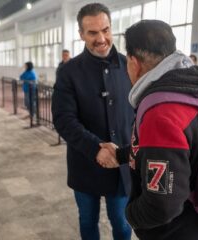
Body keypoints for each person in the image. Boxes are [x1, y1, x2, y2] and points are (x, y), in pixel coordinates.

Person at [101, 19, 198, 239]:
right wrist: (122, 154)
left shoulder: (161, 113)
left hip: (173, 231)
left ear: (133, 62)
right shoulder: (192, 88)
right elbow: (174, 150)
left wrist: (130, 215)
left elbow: (162, 206)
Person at [51, 3, 134, 240]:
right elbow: (64, 119)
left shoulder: (130, 65)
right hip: (84, 161)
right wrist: (95, 148)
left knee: (122, 222)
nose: (101, 38)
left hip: (122, 163)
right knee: (88, 220)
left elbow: (140, 114)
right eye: (93, 32)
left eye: (105, 30)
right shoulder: (69, 72)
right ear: (81, 34)